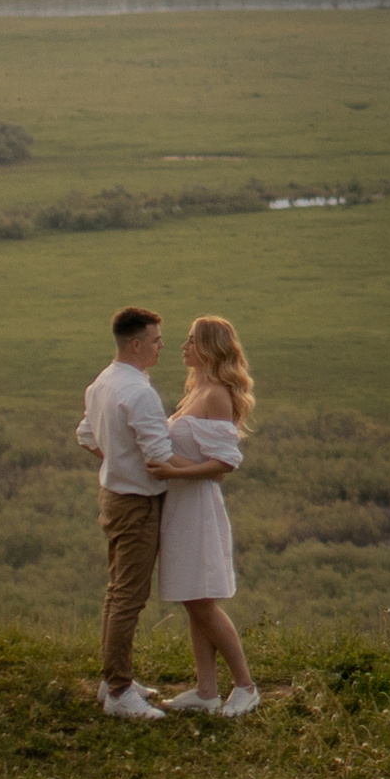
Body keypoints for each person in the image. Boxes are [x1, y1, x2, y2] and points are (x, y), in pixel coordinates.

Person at [152, 314, 258, 716]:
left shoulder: (216, 395)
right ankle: (206, 689)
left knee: (202, 602)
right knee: (192, 599)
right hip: (180, 504)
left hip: (197, 506)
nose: (183, 347)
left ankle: (245, 686)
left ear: (211, 347)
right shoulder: (196, 391)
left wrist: (173, 471)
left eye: (192, 340)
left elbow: (225, 464)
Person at [75, 306, 176, 721]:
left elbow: (85, 435)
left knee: (118, 591)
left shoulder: (104, 381)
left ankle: (113, 678)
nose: (161, 346)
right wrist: (213, 468)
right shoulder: (138, 392)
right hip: (136, 502)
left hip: (113, 494)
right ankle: (118, 691)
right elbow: (159, 458)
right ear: (136, 344)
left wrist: (116, 459)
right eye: (155, 340)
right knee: (129, 597)